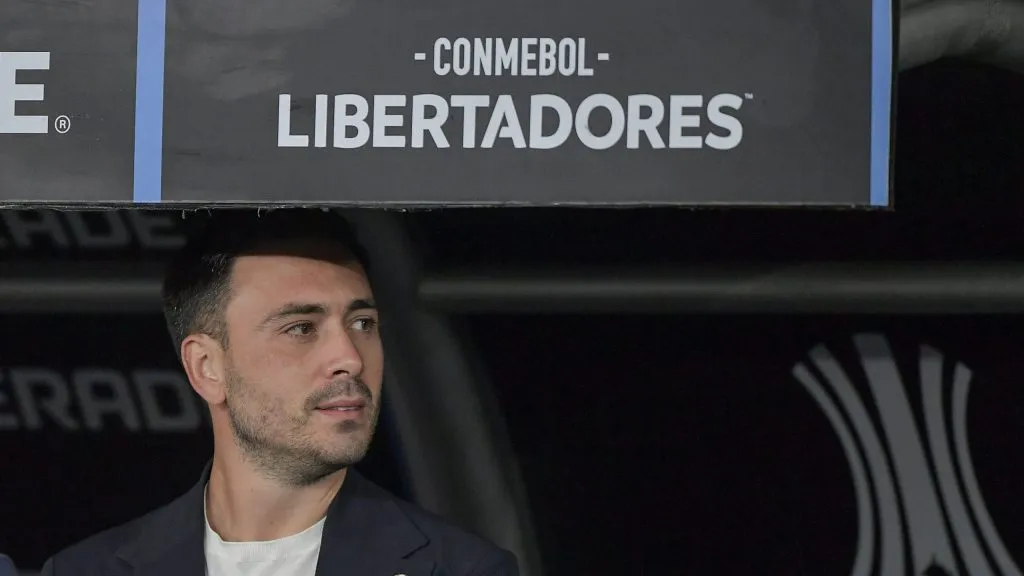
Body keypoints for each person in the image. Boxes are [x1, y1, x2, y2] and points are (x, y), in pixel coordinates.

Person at [41, 209, 519, 576]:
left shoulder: (462, 568)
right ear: (207, 367)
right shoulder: (86, 570)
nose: (350, 357)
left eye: (362, 323)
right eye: (301, 328)